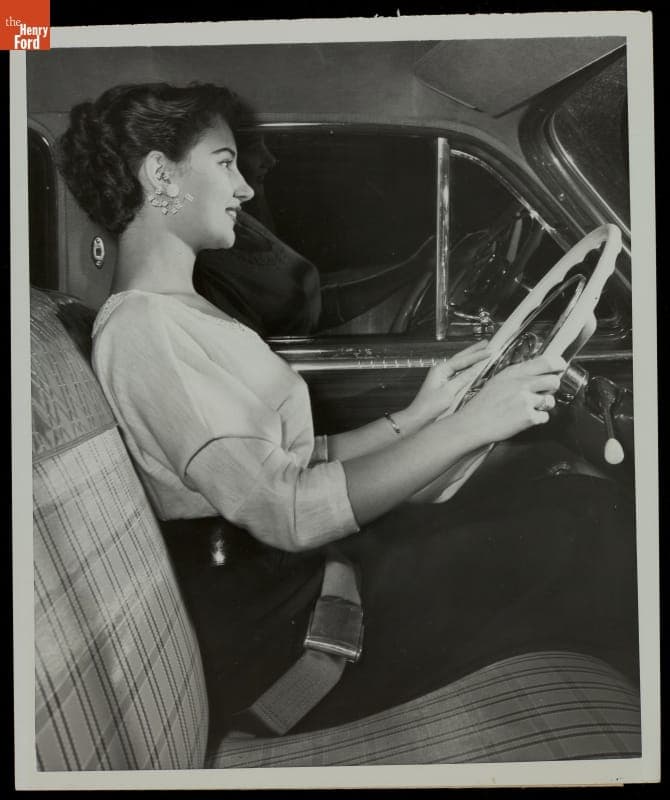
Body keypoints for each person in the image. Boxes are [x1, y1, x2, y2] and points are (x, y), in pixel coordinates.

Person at [58, 82, 638, 744]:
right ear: (161, 175)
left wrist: (420, 415)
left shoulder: (178, 313)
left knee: (556, 506)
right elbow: (289, 510)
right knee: (593, 530)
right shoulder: (144, 332)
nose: (245, 189)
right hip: (297, 641)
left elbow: (289, 465)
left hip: (312, 588)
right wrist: (475, 424)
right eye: (225, 163)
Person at [192, 132, 437, 337]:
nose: (271, 159)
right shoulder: (213, 246)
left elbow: (311, 306)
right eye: (255, 146)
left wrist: (411, 268)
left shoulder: (241, 224)